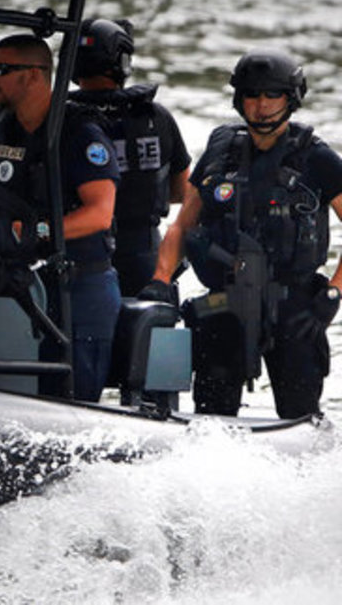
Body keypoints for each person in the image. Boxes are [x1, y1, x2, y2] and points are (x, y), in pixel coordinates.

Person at [142, 49, 342, 418]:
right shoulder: (222, 152)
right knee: (212, 413)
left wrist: (332, 293)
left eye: (272, 95)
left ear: (291, 98)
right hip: (226, 302)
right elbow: (183, 225)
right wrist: (159, 278)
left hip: (294, 307)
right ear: (239, 99)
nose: (261, 106)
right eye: (252, 95)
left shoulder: (316, 159)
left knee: (300, 413)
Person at [0, 34, 121, 402]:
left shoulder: (79, 132)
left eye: (1, 69)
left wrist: (38, 232)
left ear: (33, 75)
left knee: (73, 399)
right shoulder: (4, 127)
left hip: (79, 288)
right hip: (26, 285)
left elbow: (100, 213)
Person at [71, 18, 191, 297]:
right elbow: (182, 191)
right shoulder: (157, 117)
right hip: (146, 258)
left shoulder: (64, 120)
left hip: (83, 256)